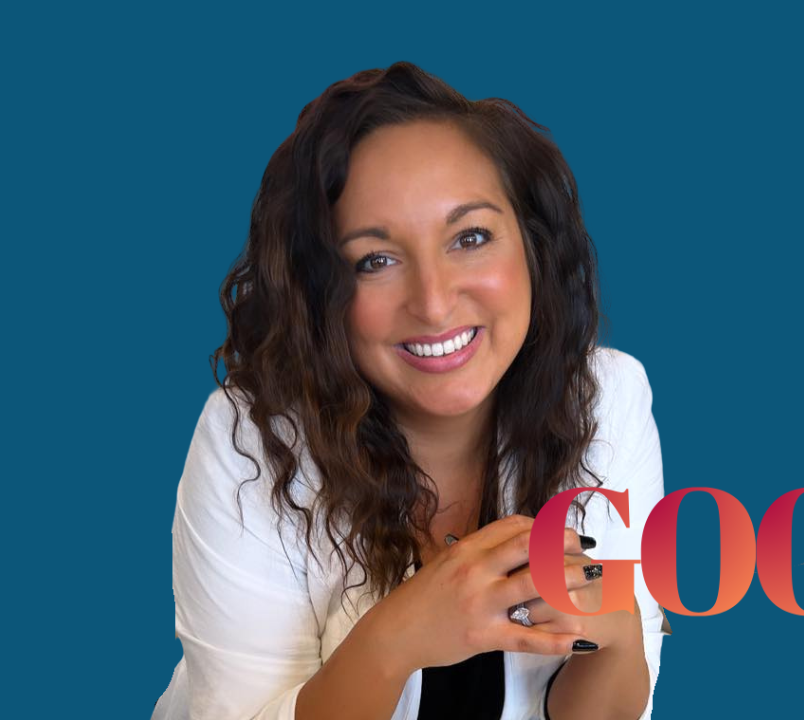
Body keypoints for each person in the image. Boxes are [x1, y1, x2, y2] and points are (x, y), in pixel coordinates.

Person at [151, 61, 668, 720]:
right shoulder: (251, 442)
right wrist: (396, 641)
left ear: (532, 244)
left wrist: (616, 635)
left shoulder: (606, 398)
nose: (433, 302)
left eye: (470, 237)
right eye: (375, 260)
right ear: (318, 291)